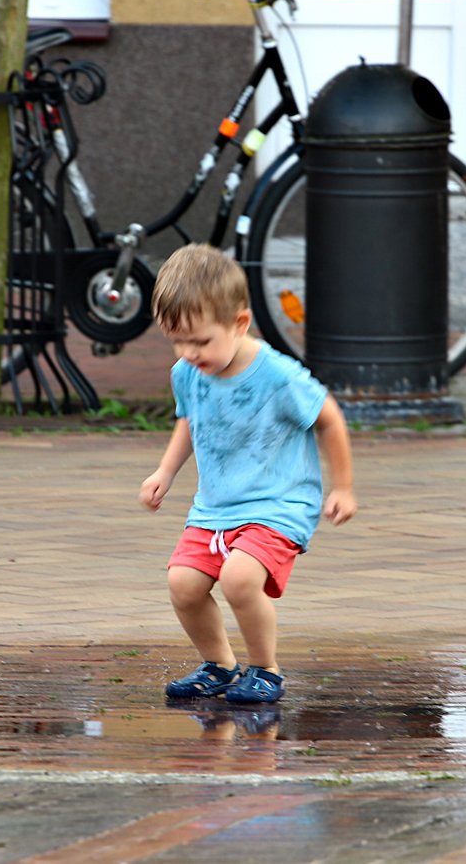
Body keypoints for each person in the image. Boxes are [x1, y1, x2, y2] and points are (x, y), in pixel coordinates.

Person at [139, 243, 357, 704]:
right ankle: (219, 665)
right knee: (183, 584)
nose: (188, 352)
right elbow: (190, 419)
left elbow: (329, 418)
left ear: (239, 323)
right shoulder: (188, 372)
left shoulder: (277, 375)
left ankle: (265, 669)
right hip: (216, 505)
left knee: (239, 578)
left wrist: (343, 487)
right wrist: (165, 471)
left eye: (200, 341)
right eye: (177, 340)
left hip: (279, 502)